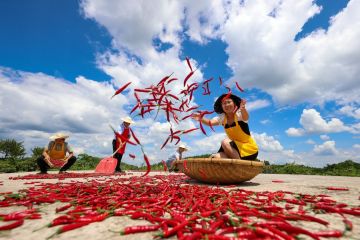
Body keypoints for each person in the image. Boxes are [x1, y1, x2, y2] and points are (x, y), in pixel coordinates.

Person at [192, 93, 258, 160]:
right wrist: (201, 118)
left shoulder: (239, 114)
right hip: (234, 149)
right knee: (214, 157)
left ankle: (239, 165)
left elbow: (246, 118)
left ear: (234, 104)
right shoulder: (222, 118)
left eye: (229, 102)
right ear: (222, 107)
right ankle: (235, 165)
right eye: (224, 103)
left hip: (249, 150)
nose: (226, 105)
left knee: (225, 142)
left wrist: (243, 109)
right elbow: (210, 123)